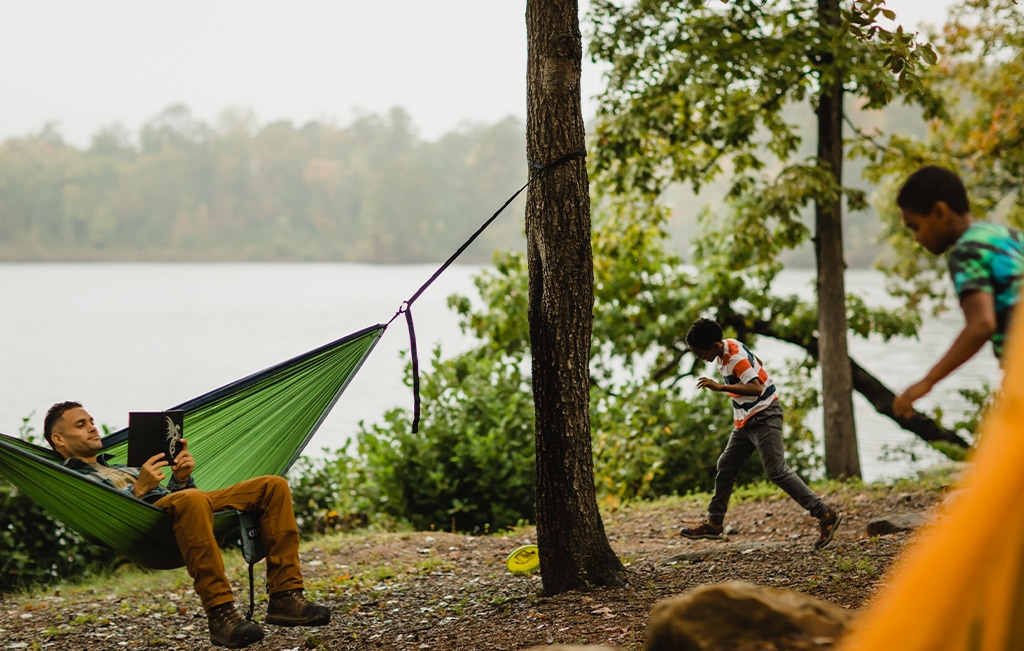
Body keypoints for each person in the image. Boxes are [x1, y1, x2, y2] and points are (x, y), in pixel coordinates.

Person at [43, 401, 330, 649]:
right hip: (147, 521)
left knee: (272, 486)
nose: (93, 427)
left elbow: (176, 498)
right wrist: (139, 490)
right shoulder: (74, 480)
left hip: (176, 509)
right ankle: (221, 614)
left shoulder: (119, 465)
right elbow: (105, 513)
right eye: (81, 425)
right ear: (59, 439)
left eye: (92, 421)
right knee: (191, 499)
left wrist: (180, 479)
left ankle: (285, 597)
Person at [679, 318, 842, 549]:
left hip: (764, 417)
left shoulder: (734, 356)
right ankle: (715, 523)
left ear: (715, 345)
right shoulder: (729, 347)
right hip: (745, 421)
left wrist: (721, 387)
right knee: (726, 464)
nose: (699, 358)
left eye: (699, 352)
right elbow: (757, 364)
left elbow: (756, 387)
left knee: (776, 471)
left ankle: (825, 514)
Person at [892, 165, 1024, 419]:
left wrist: (926, 383)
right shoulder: (1010, 237)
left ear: (940, 212)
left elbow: (981, 325)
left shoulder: (966, 251)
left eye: (915, 227)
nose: (917, 239)